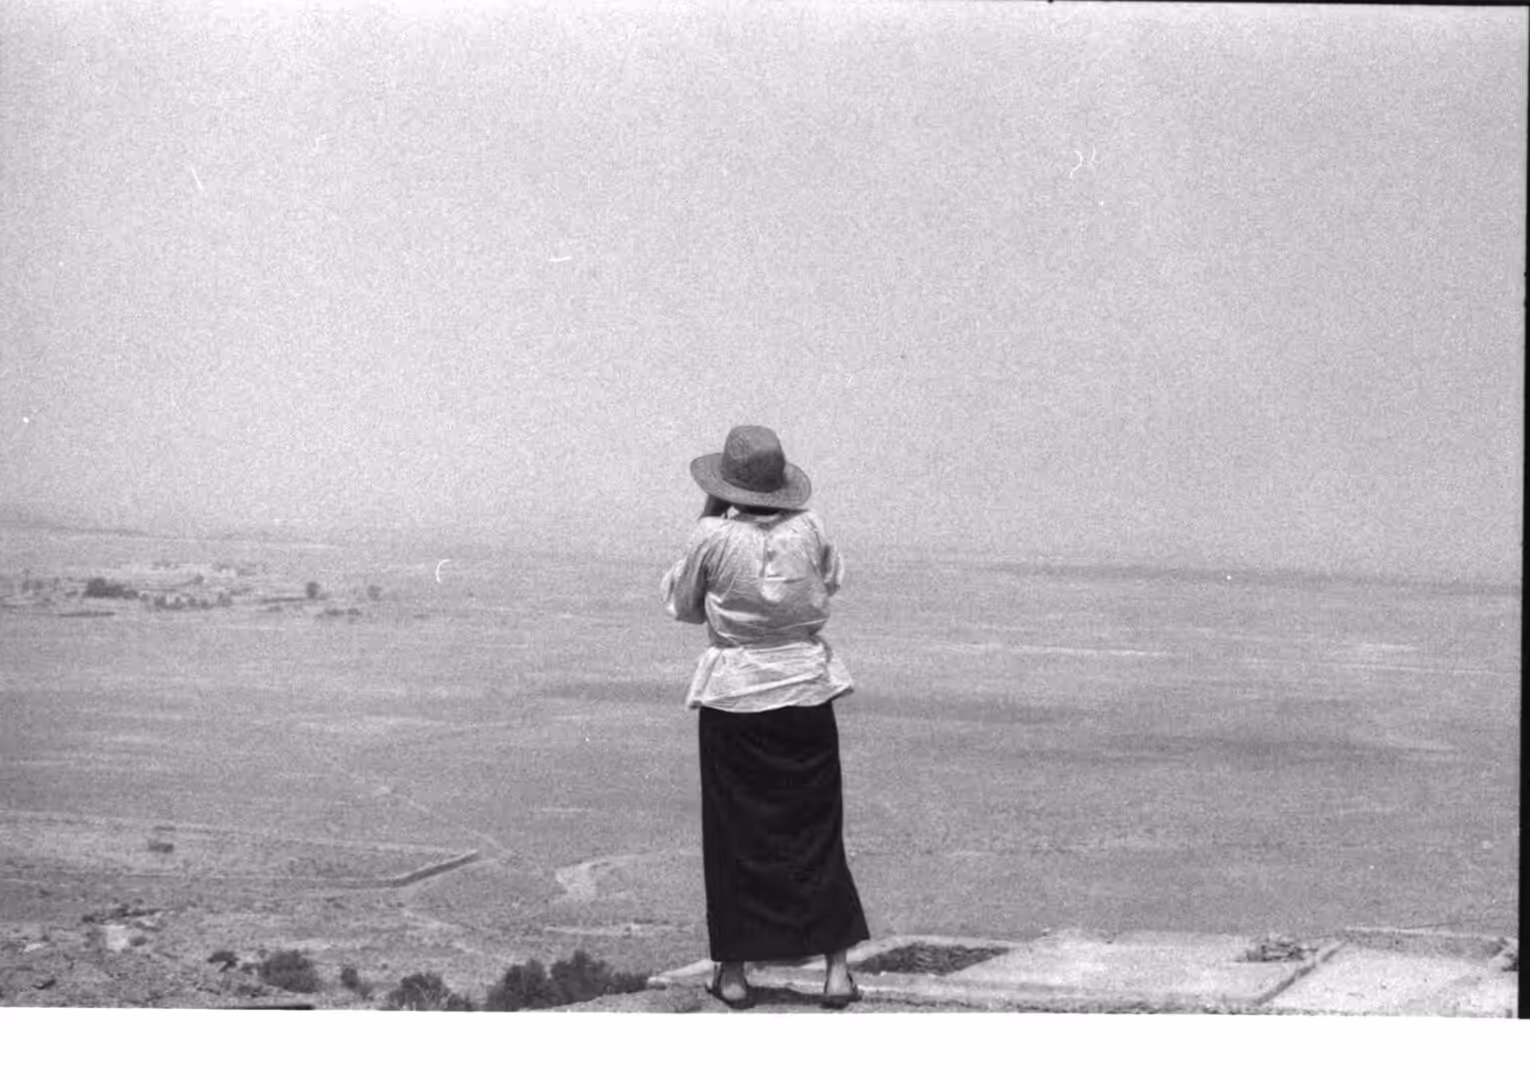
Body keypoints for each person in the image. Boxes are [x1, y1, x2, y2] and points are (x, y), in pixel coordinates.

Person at [661, 424, 869, 1010]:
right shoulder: (811, 528)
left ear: (727, 484)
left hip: (736, 699)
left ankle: (732, 972)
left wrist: (711, 516)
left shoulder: (710, 535)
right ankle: (834, 970)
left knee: (734, 836)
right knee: (815, 829)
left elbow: (681, 605)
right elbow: (830, 579)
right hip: (805, 690)